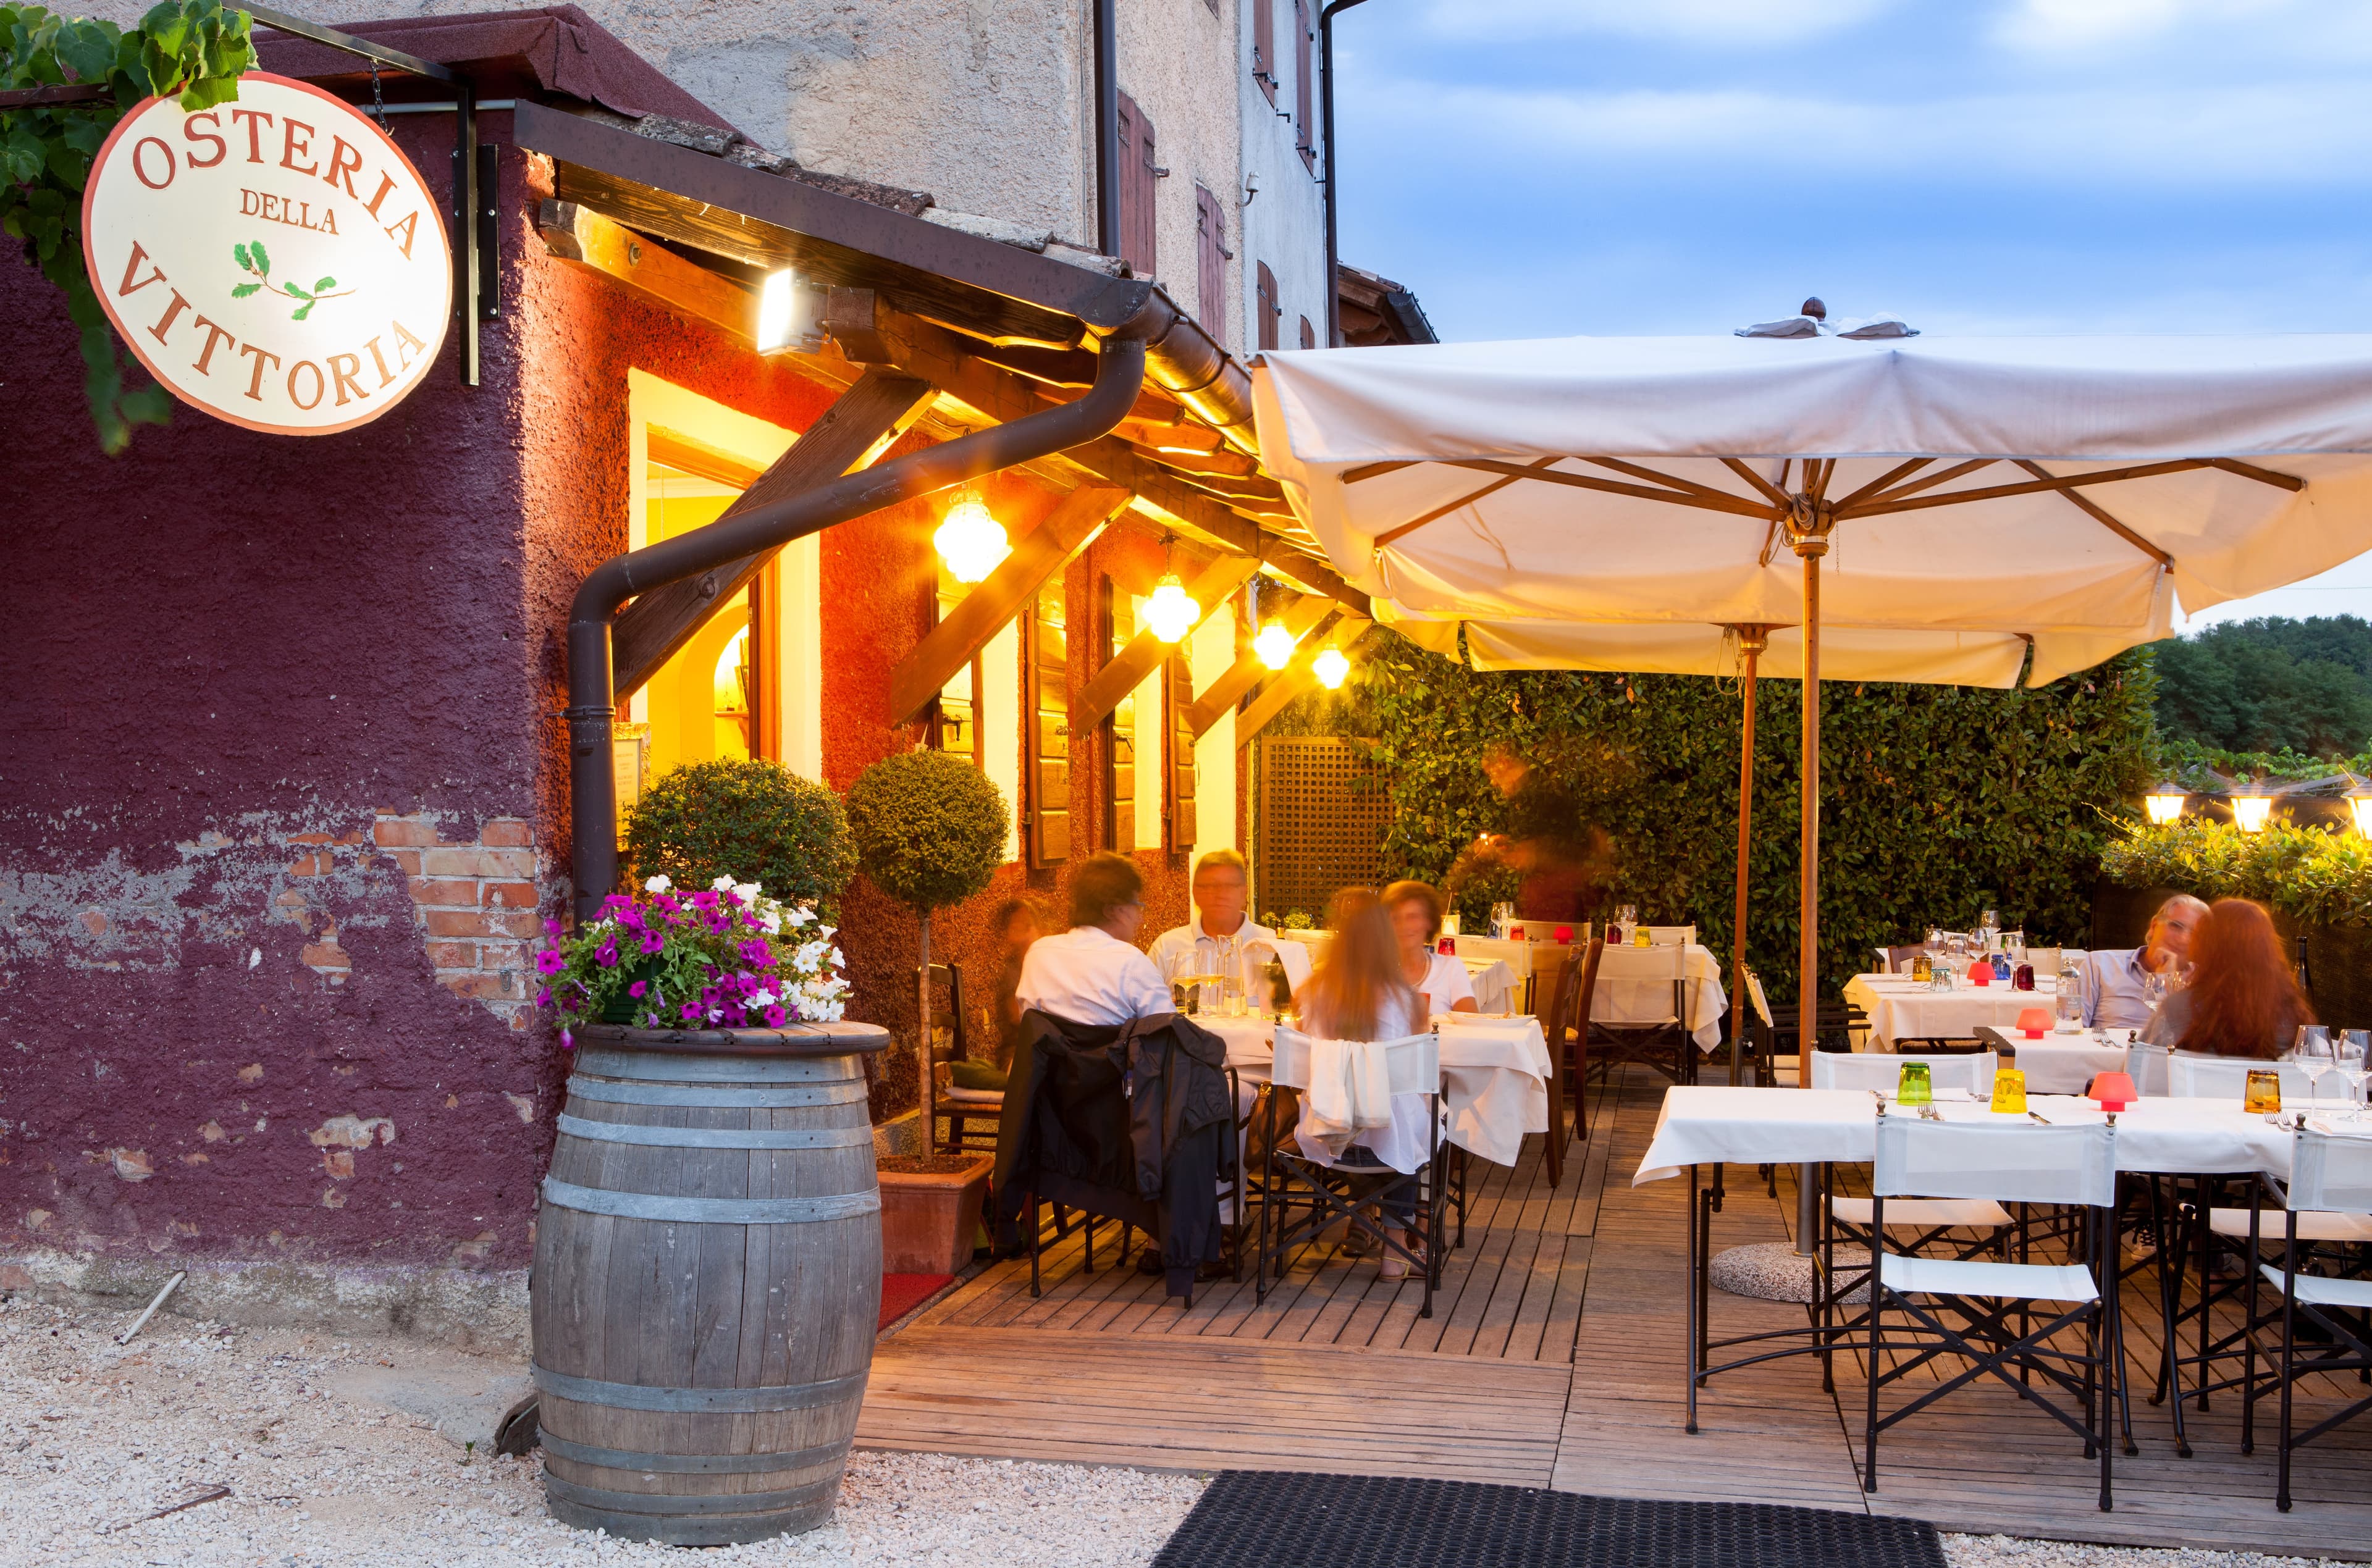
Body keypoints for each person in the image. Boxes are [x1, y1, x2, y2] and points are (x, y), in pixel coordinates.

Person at [1292, 887, 1435, 1281]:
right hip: (1387, 1148)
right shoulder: (1404, 1000)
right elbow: (1418, 1079)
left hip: (1326, 1142)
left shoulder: (1312, 994)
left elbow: (1302, 1063)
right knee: (1415, 1121)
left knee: (1401, 1118)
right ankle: (1394, 1249)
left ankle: (1361, 1221)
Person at [1013, 853, 1171, 1026]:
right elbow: (1169, 1030)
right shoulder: (1131, 962)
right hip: (1113, 1054)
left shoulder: (1038, 953)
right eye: (1136, 906)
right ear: (1112, 910)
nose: (1139, 918)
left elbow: (1028, 1023)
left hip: (1049, 1054)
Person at [2143, 897, 2313, 1059]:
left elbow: (2141, 1070)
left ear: (2206, 946)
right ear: (2269, 950)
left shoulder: (2179, 1009)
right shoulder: (2292, 1018)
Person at [1147, 849, 1277, 995]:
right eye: (1210, 886)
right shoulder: (1166, 947)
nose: (1220, 894)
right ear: (1195, 893)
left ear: (1244, 892)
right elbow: (1143, 1005)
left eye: (1229, 886)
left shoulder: (1272, 946)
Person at [951, 898, 1043, 1092]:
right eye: (1018, 927)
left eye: (1029, 926)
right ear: (1009, 934)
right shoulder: (1012, 970)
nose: (1028, 933)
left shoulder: (1041, 962)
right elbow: (1020, 1017)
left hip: (1041, 1049)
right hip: (1017, 1054)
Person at [2084, 893, 2208, 1028]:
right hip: (2107, 1048)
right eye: (2176, 926)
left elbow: (2188, 1041)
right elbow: (2070, 1027)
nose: (2183, 939)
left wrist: (2168, 983)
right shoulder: (2101, 964)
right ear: (2154, 926)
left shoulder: (2203, 982)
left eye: (2195, 934)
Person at [1381, 879, 1479, 1017]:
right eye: (1396, 918)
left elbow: (1472, 1025)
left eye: (1412, 917)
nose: (1404, 926)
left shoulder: (1450, 968)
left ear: (1429, 922)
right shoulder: (1375, 974)